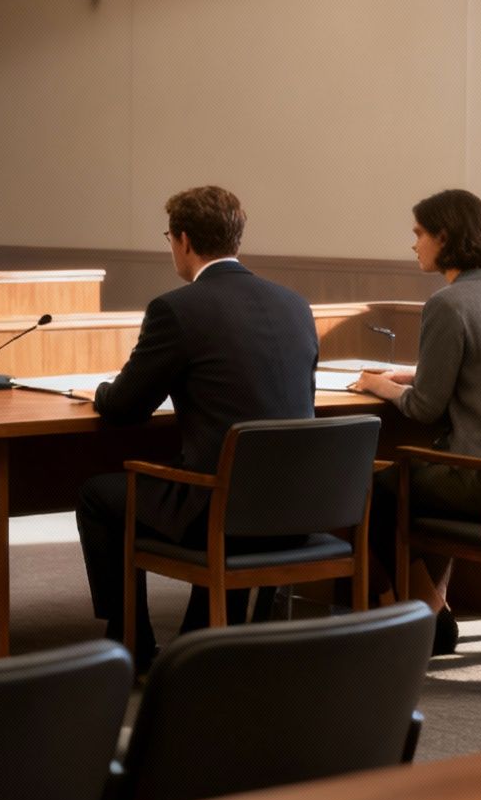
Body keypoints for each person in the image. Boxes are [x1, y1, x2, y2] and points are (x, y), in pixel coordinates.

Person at [75, 186, 320, 666]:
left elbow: (126, 408)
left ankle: (132, 642)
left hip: (221, 509)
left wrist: (98, 391)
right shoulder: (294, 304)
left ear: (183, 240)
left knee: (97, 494)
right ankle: (204, 627)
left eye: (169, 237)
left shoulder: (178, 309)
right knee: (210, 468)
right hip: (302, 506)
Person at [352, 188, 481, 655]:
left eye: (419, 234)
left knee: (369, 488)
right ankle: (427, 604)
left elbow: (423, 408)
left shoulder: (448, 303)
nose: (413, 244)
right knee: (408, 481)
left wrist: (379, 385)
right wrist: (417, 375)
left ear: (444, 236)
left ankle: (409, 610)